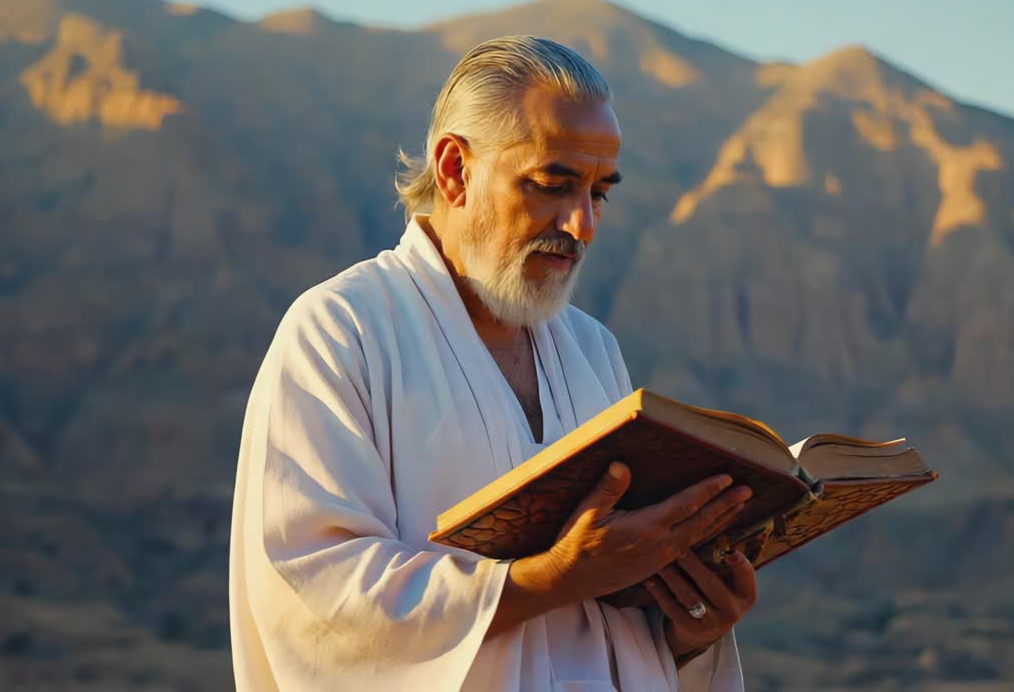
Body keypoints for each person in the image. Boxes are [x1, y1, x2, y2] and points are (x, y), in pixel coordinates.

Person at [229, 35, 757, 691]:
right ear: (454, 170)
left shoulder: (593, 350)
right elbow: (313, 598)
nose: (583, 223)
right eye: (551, 184)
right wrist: (549, 577)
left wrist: (691, 628)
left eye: (600, 192)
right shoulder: (343, 331)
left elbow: (612, 626)